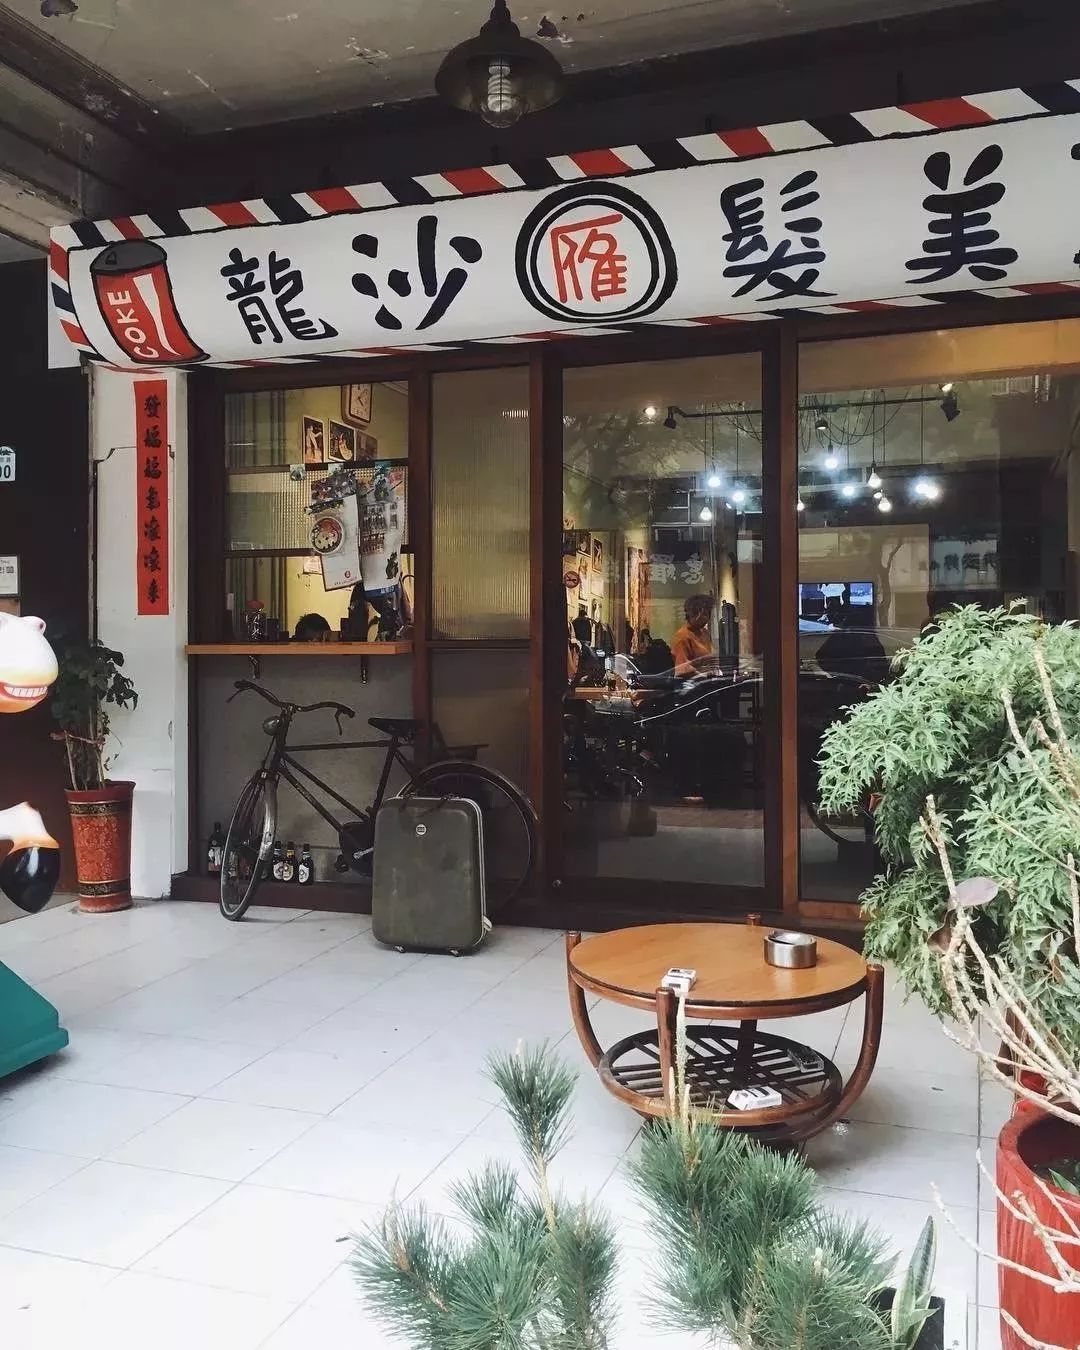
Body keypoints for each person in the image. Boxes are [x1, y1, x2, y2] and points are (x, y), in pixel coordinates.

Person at [670, 594, 715, 674]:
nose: (707, 618)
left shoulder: (704, 633)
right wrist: (705, 676)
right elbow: (682, 670)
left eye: (708, 614)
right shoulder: (682, 637)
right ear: (695, 614)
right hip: (692, 681)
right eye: (705, 614)